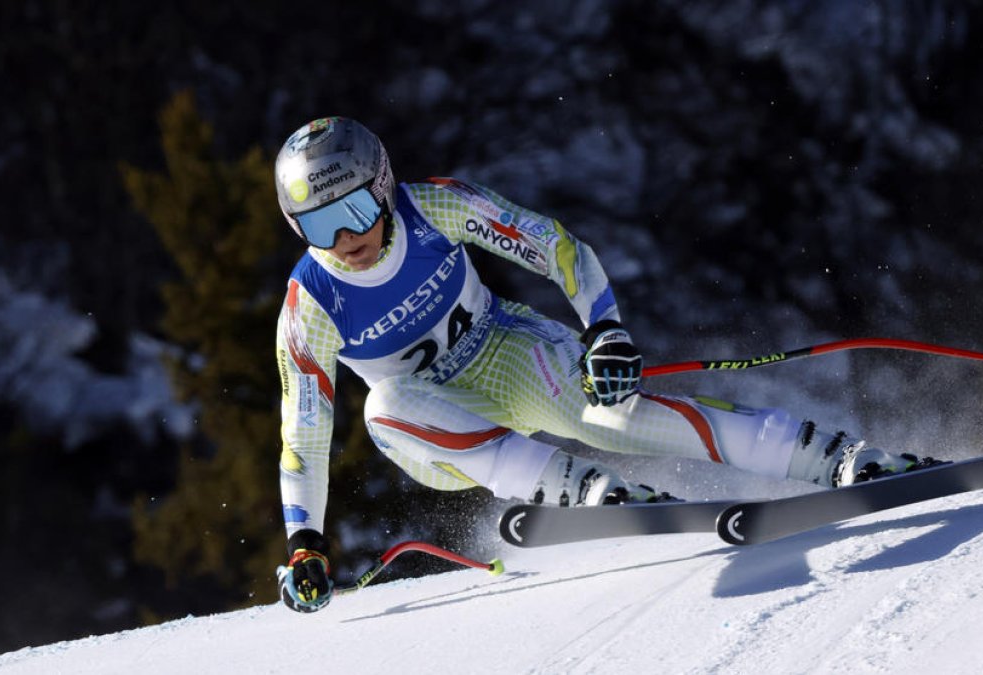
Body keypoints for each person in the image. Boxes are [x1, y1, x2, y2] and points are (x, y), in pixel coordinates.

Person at [272, 117, 939, 612]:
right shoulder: (311, 305)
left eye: (356, 210)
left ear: (383, 188)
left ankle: (840, 459)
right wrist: (305, 541)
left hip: (505, 352)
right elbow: (304, 434)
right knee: (383, 407)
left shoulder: (434, 207)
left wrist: (605, 331)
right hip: (436, 425)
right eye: (321, 225)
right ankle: (587, 492)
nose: (347, 239)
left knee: (620, 416)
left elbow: (557, 247)